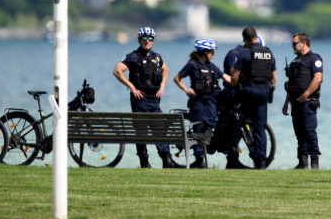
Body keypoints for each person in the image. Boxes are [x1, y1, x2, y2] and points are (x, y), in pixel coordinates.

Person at [112, 26, 180, 168]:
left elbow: (165, 69)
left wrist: (162, 86)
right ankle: (144, 161)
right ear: (139, 40)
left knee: (160, 129)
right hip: (140, 99)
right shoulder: (132, 56)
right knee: (141, 131)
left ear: (153, 41)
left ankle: (166, 160)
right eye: (144, 39)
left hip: (154, 99)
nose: (147, 41)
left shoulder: (157, 57)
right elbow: (117, 71)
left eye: (150, 39)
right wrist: (132, 88)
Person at [173, 38, 230, 168]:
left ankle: (209, 152)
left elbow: (226, 77)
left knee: (207, 130)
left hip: (211, 102)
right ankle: (199, 160)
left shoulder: (212, 66)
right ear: (205, 52)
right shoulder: (192, 65)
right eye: (212, 52)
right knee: (198, 128)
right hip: (198, 102)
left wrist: (237, 81)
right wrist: (186, 89)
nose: (213, 54)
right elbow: (177, 78)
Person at [230, 26, 277, 169]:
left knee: (242, 122)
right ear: (256, 36)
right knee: (260, 127)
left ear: (246, 40)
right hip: (263, 93)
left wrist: (235, 86)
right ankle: (261, 160)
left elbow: (234, 77)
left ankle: (235, 151)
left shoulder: (245, 52)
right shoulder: (269, 53)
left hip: (248, 92)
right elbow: (274, 78)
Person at [282, 32, 323, 169]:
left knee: (309, 132)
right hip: (295, 102)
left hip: (307, 101)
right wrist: (286, 103)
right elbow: (291, 84)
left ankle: (314, 164)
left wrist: (306, 95)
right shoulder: (295, 62)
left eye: (294, 44)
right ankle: (302, 163)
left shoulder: (314, 58)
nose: (292, 46)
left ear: (303, 43)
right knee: (299, 134)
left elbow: (317, 79)